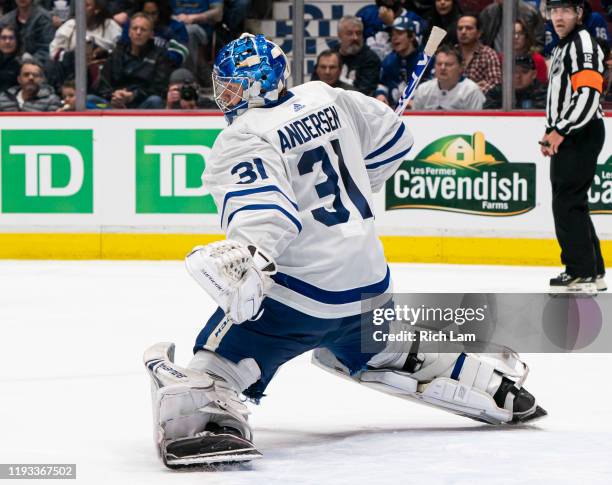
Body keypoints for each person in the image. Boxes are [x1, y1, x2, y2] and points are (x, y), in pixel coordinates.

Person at [143, 32, 545, 468]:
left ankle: (207, 420)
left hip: (304, 300)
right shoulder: (327, 96)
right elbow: (395, 140)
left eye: (234, 86)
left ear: (260, 83)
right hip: (371, 284)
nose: (226, 97)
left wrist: (249, 259)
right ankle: (487, 382)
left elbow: (268, 215)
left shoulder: (242, 136)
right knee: (385, 342)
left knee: (218, 357)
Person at [541, 0, 606, 292]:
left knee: (567, 202)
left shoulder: (582, 43)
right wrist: (551, 131)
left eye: (566, 10)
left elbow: (589, 94)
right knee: (572, 201)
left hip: (580, 131)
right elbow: (561, 96)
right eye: (554, 10)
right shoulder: (562, 46)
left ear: (579, 14)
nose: (558, 16)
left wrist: (561, 130)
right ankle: (594, 270)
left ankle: (580, 271)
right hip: (569, 131)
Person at [92, 12, 170, 108]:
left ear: (151, 34)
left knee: (155, 100)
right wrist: (113, 95)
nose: (138, 32)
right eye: (135, 28)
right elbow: (103, 85)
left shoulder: (160, 56)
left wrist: (133, 96)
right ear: (129, 32)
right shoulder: (117, 53)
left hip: (141, 105)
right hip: (113, 104)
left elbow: (159, 89)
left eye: (143, 29)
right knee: (88, 99)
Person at [412, 44, 485, 110]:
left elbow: (477, 122)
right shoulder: (423, 90)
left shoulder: (472, 91)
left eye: (449, 64)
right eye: (439, 64)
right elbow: (413, 120)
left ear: (461, 67)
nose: (442, 68)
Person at [121, 0, 189, 68]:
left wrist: (153, 58)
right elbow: (123, 50)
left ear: (161, 12)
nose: (150, 17)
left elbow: (178, 56)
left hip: (163, 70)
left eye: (153, 13)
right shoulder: (132, 26)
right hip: (133, 69)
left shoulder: (176, 28)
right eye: (146, 13)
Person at [374, 16, 421, 107]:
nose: (394, 38)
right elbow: (382, 85)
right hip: (392, 113)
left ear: (412, 36)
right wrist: (380, 95)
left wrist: (415, 102)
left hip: (419, 113)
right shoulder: (388, 61)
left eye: (399, 33)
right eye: (392, 34)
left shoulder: (424, 60)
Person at [544, 0, 610, 57]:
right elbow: (548, 53)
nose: (558, 17)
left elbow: (604, 52)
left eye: (565, 10)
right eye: (555, 11)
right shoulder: (551, 23)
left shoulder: (595, 19)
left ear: (579, 12)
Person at [456, 14, 502, 94]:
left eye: (469, 28)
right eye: (460, 28)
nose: (463, 32)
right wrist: (475, 87)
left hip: (479, 104)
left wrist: (468, 92)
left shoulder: (488, 54)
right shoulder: (450, 53)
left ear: (479, 33)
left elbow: (495, 83)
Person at [479, 0, 545, 52]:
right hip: (496, 62)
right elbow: (481, 40)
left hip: (525, 61)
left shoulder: (530, 12)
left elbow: (539, 43)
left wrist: (528, 58)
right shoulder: (488, 12)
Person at [513, 18, 547, 84]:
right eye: (512, 33)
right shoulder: (501, 59)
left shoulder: (537, 60)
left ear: (526, 36)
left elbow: (542, 87)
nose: (516, 37)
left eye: (520, 33)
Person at [0, 24, 21, 93]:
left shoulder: (23, 62)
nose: (7, 41)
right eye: (3, 38)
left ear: (17, 41)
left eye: (11, 38)